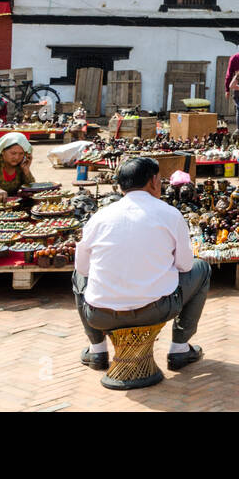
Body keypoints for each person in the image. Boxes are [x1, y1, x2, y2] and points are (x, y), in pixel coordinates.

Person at [74, 156, 211, 372]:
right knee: (201, 268)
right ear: (153, 181)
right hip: (156, 309)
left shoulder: (99, 217)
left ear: (120, 186)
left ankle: (96, 349)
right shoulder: (170, 214)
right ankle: (179, 348)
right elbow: (185, 266)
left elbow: (82, 268)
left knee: (78, 275)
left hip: (100, 315)